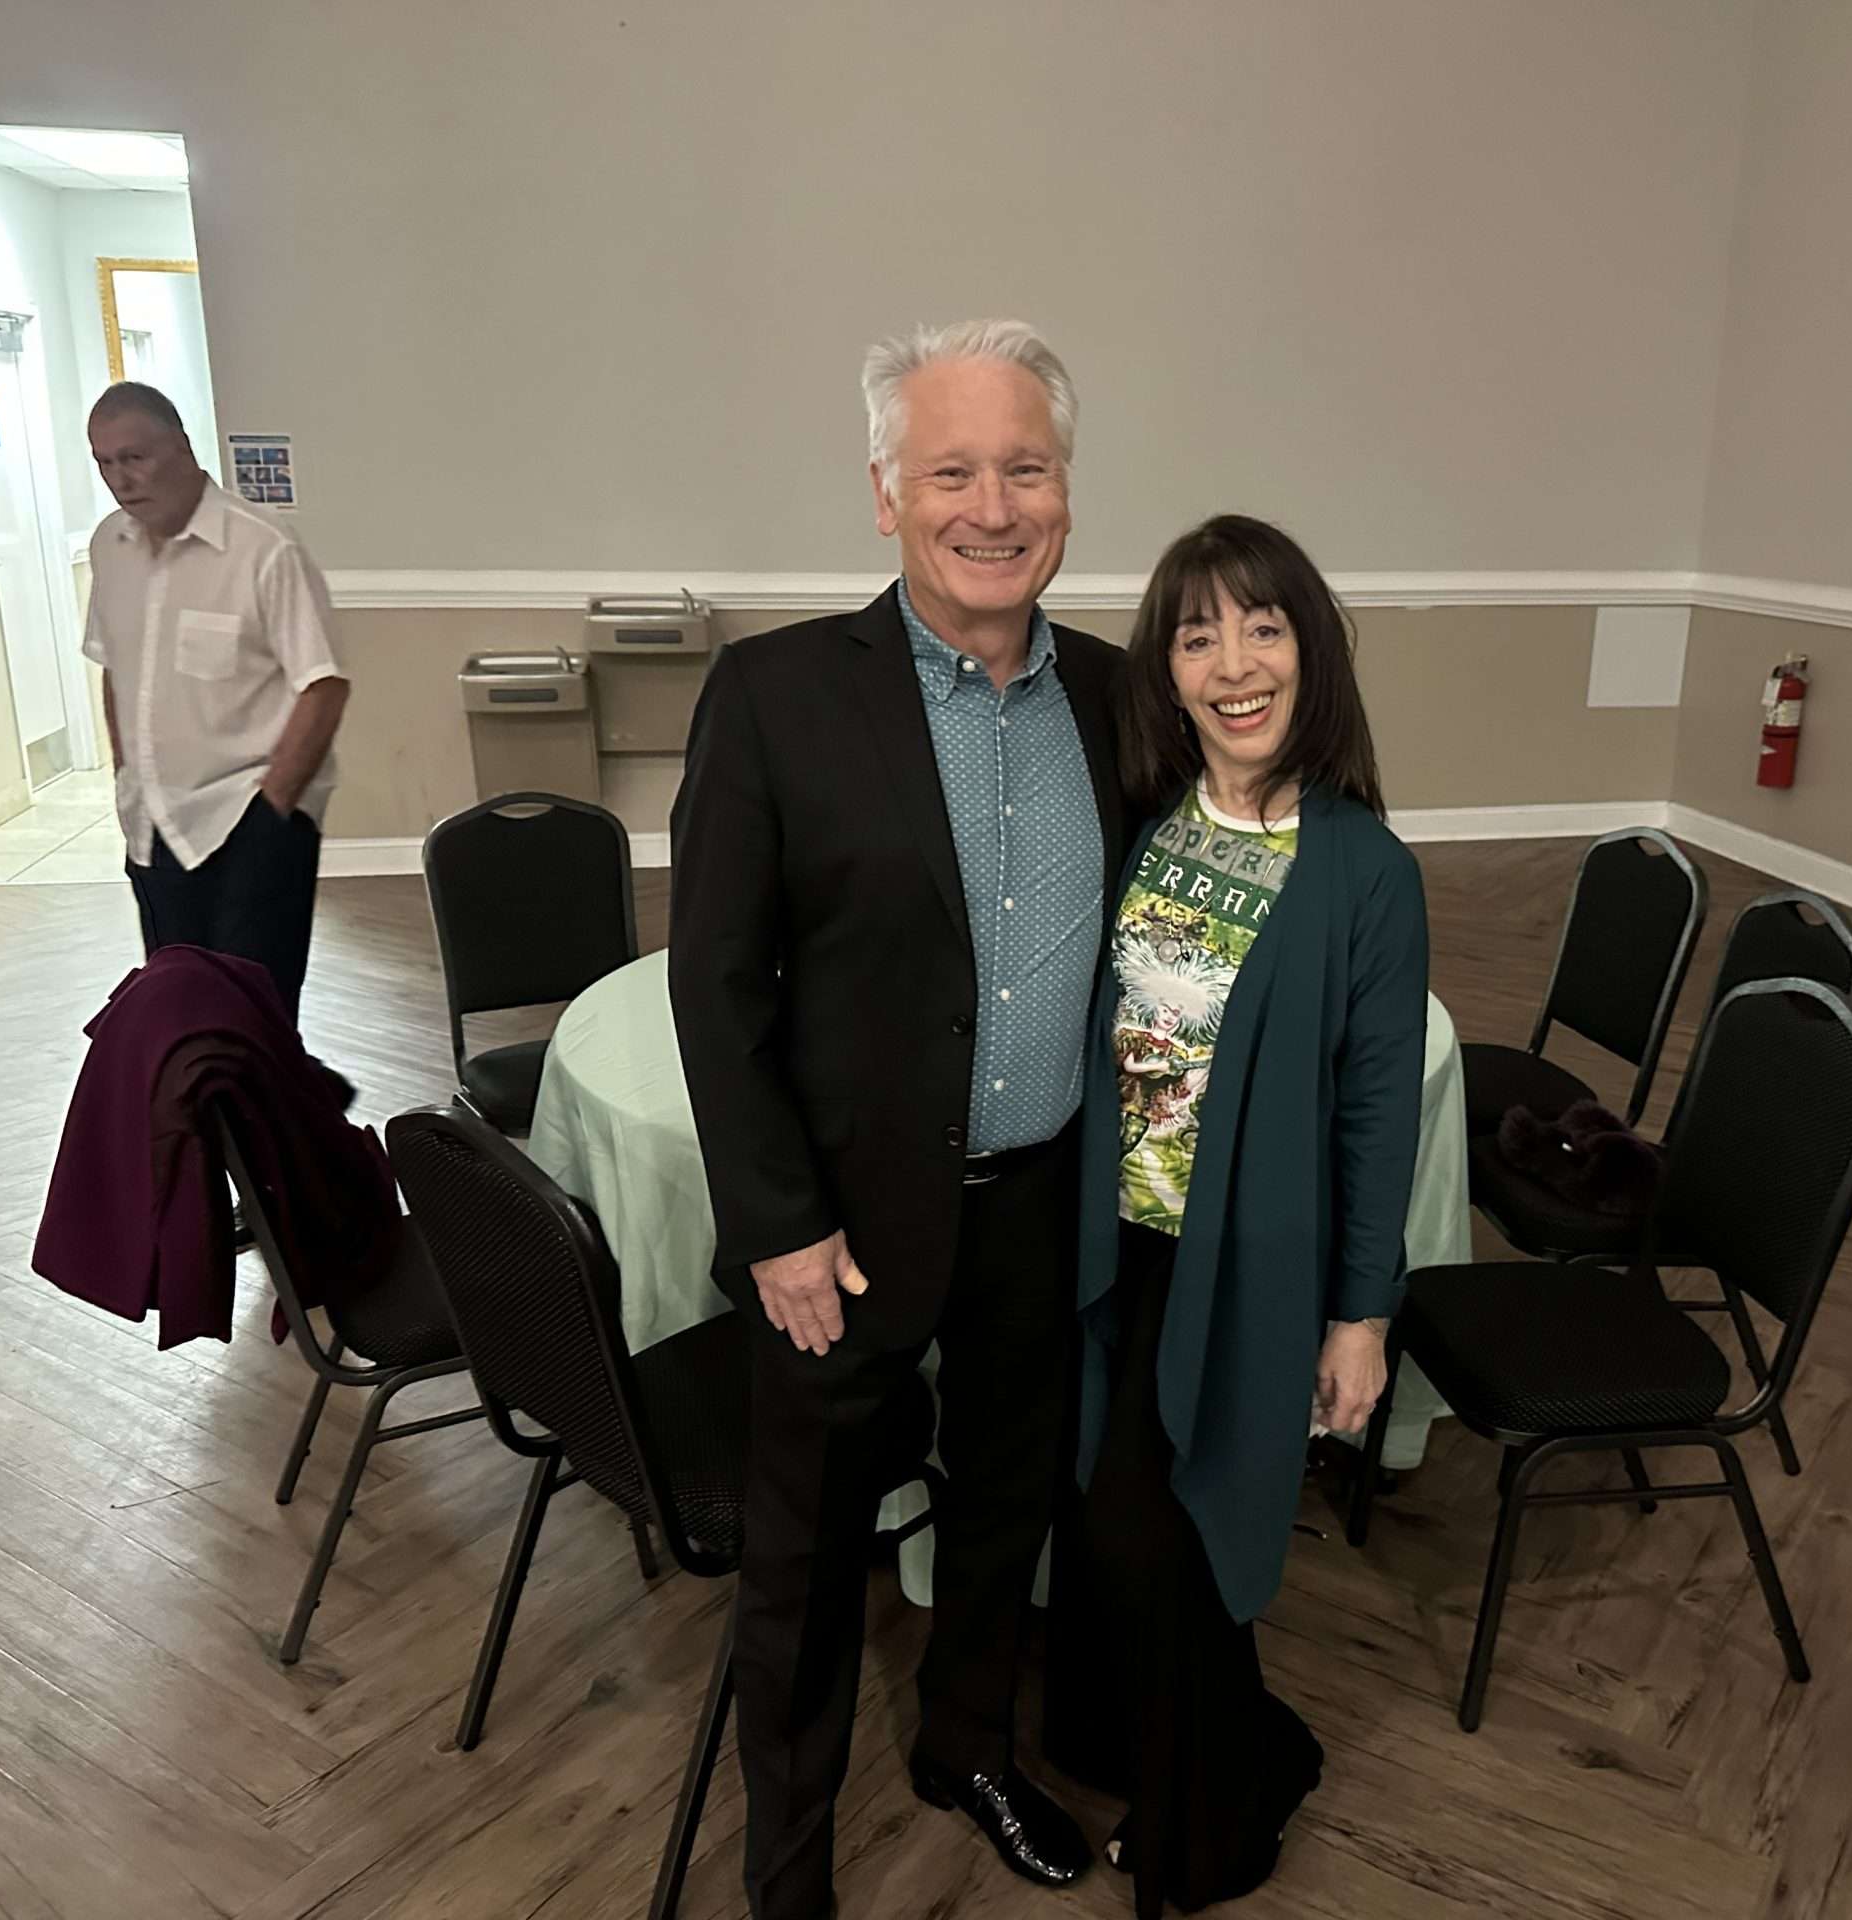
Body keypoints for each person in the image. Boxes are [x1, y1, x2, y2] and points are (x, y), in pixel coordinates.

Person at [668, 320, 1123, 1918]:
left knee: (1007, 1505)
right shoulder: (775, 694)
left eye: (1026, 469)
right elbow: (715, 983)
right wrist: (777, 1222)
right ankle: (787, 1867)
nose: (992, 507)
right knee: (802, 1565)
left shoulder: (1119, 700)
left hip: (1038, 1202)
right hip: (839, 1233)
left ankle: (965, 1749)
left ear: (1067, 490)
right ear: (885, 494)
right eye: (952, 472)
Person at [1046, 514, 1429, 1917]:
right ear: (1166, 670)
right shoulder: (1144, 825)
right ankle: (1207, 1750)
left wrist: (1361, 1316)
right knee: (1113, 1525)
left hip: (1249, 1270)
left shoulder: (1364, 869)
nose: (1233, 665)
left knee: (1173, 1529)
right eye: (1197, 636)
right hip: (1118, 1248)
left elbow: (1378, 1113)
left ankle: (1224, 1814)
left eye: (1263, 628)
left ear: (1309, 651)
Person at [82, 382, 348, 1026]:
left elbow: (323, 684)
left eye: (135, 457)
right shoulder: (109, 547)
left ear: (181, 446)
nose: (121, 479)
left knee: (255, 1022)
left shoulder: (262, 547)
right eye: (104, 463)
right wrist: (126, 774)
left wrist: (272, 812)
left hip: (247, 818)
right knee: (179, 1020)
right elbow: (115, 669)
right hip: (153, 824)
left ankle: (274, 1102)